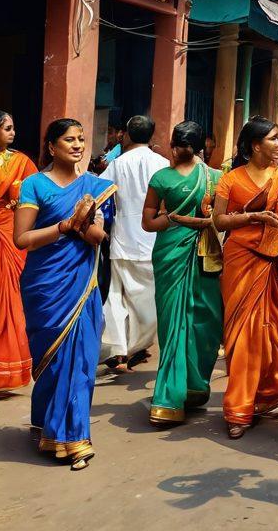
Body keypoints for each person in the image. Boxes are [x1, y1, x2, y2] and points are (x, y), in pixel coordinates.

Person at [14, 119, 115, 469]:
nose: (77, 145)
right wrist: (64, 226)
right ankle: (47, 421)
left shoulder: (95, 187)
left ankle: (73, 437)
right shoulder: (34, 185)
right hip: (45, 284)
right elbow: (22, 239)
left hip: (82, 282)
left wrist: (90, 225)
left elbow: (99, 239)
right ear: (51, 146)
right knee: (53, 360)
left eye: (81, 139)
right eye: (69, 139)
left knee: (82, 359)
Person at [212, 118, 278, 438]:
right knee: (241, 338)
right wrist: (254, 216)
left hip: (273, 260)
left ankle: (264, 394)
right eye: (273, 139)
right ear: (255, 145)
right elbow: (219, 221)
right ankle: (238, 408)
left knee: (271, 332)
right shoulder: (230, 180)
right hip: (240, 260)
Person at [142, 121, 222, 426]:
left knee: (201, 322)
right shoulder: (165, 178)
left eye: (181, 146)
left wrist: (180, 220)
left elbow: (221, 219)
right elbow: (148, 222)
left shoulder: (215, 178)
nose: (178, 151)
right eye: (178, 145)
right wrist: (179, 220)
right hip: (174, 255)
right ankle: (169, 396)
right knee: (186, 322)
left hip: (199, 254)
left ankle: (193, 386)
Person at [102, 115, 168, 371]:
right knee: (148, 299)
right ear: (152, 136)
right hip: (153, 238)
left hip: (122, 238)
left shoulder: (117, 164)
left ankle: (119, 349)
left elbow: (102, 193)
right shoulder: (163, 164)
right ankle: (136, 346)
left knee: (117, 297)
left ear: (127, 134)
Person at [0, 110, 36, 392]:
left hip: (9, 232)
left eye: (13, 128)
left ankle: (7, 369)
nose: (12, 133)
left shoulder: (21, 161)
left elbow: (33, 195)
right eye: (7, 128)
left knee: (10, 295)